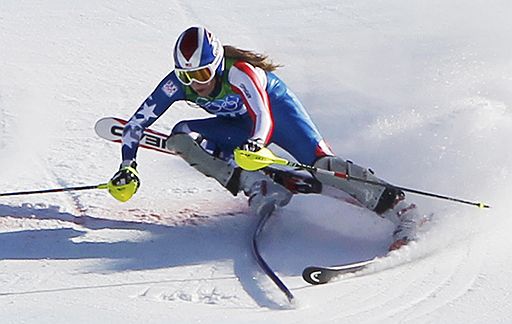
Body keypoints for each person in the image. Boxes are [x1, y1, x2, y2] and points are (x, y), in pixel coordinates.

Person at [108, 26, 423, 251]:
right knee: (180, 137)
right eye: (186, 76)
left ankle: (403, 210)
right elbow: (137, 123)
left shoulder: (241, 73)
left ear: (216, 65)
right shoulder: (175, 85)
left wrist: (255, 145)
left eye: (202, 74)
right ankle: (256, 184)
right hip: (237, 123)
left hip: (277, 114)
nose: (194, 83)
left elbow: (264, 118)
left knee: (322, 164)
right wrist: (128, 165)